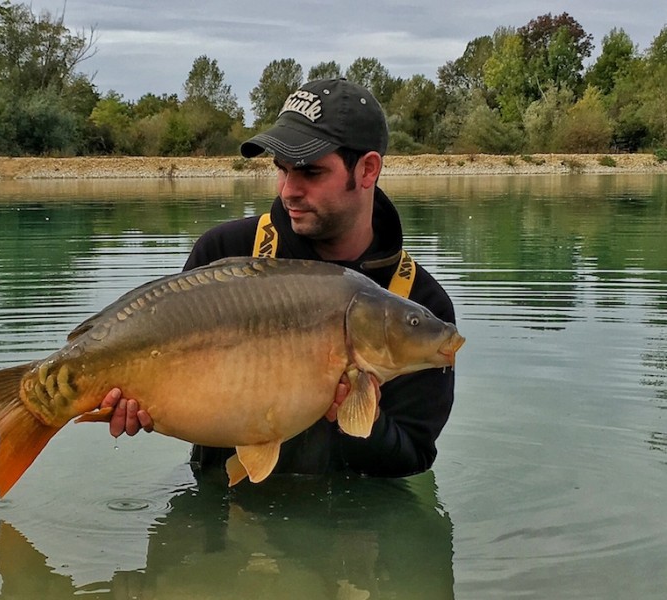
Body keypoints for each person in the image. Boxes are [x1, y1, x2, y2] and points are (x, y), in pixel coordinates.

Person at [99, 78, 457, 478]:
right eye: (282, 169)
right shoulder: (225, 253)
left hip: (354, 522)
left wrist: (361, 424)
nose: (288, 190)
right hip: (218, 510)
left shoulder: (418, 303)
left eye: (309, 171)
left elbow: (413, 457)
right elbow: (181, 395)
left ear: (368, 170)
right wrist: (141, 405)